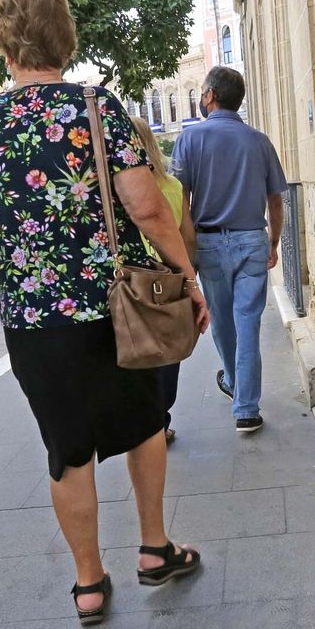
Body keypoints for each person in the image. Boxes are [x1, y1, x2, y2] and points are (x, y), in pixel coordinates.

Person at [0, 0, 208, 624]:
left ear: (3, 44)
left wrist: (16, 243)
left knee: (66, 448)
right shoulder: (96, 106)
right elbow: (147, 207)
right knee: (144, 423)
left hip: (34, 317)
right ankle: (155, 549)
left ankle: (89, 583)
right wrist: (187, 277)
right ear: (65, 36)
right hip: (116, 305)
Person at [170, 65, 288, 434]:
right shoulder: (259, 141)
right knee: (248, 322)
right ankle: (246, 409)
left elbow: (179, 201)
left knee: (222, 321)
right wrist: (273, 243)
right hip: (252, 240)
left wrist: (188, 251)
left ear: (209, 96)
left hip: (208, 243)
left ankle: (236, 385)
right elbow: (276, 201)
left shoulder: (189, 140)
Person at [130, 118, 190, 443]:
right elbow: (187, 237)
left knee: (137, 351)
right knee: (168, 353)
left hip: (131, 281)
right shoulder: (173, 186)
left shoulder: (116, 191)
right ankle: (160, 419)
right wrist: (189, 279)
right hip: (168, 281)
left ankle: (147, 423)